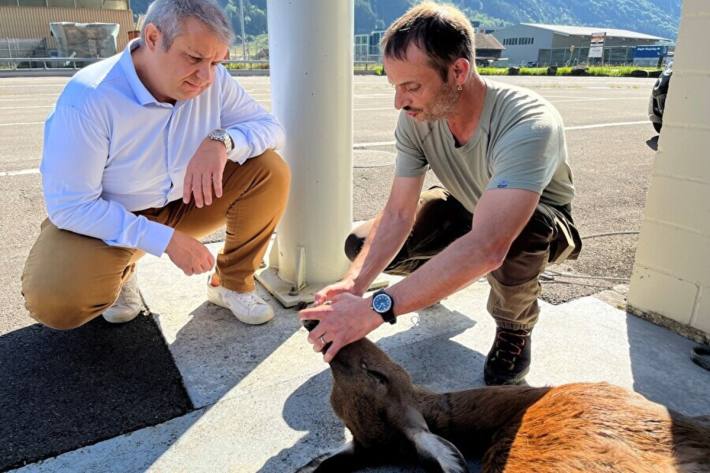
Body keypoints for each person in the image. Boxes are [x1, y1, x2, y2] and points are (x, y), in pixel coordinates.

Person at [300, 2, 581, 386]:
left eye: (411, 86)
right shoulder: (415, 120)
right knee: (359, 245)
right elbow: (398, 213)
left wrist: (378, 307)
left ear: (458, 71)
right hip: (466, 205)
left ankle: (515, 327)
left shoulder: (528, 123)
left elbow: (489, 245)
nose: (399, 102)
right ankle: (433, 281)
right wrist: (354, 284)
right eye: (395, 86)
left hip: (538, 223)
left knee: (517, 237)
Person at [21, 0, 290, 330]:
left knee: (268, 169)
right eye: (193, 58)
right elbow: (71, 206)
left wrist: (222, 140)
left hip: (184, 201)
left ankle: (232, 283)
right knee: (58, 300)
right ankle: (121, 271)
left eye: (217, 62)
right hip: (114, 215)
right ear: (152, 38)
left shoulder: (213, 80)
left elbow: (271, 127)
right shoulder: (90, 98)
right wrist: (165, 240)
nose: (206, 76)